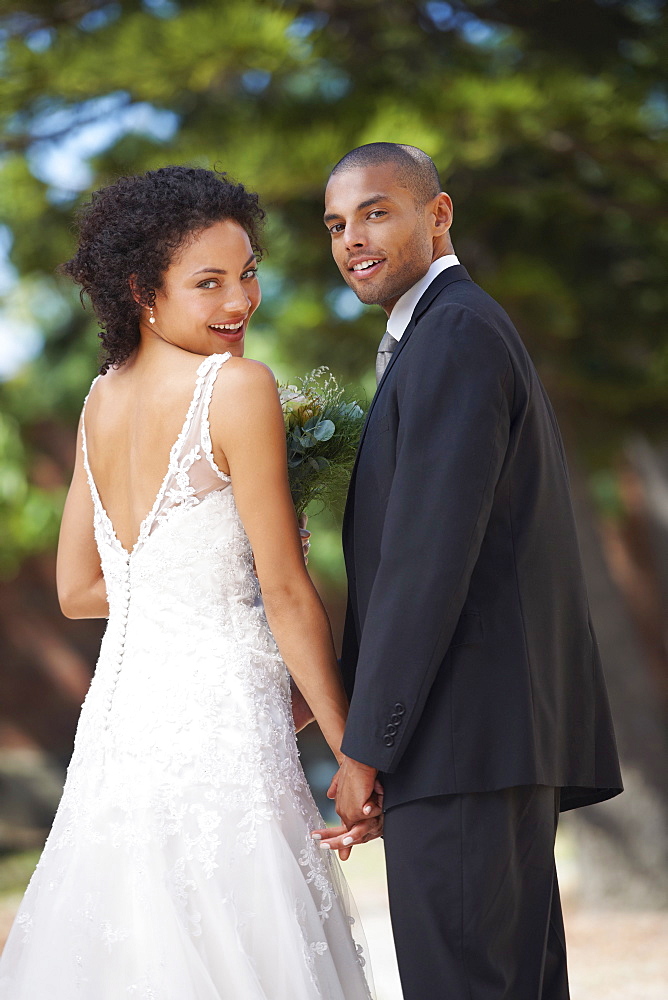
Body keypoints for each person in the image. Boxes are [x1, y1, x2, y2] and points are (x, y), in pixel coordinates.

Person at [0, 166, 380, 1000]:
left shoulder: (99, 401)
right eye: (208, 282)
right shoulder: (237, 388)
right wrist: (354, 746)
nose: (239, 301)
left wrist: (196, 588)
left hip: (121, 731)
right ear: (143, 290)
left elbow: (79, 589)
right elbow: (285, 592)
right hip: (223, 728)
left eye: (247, 273)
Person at [313, 143, 624, 1000]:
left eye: (376, 212)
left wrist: (369, 748)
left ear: (439, 213)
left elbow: (426, 561)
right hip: (488, 743)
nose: (351, 240)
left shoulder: (452, 334)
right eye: (337, 224)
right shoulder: (453, 329)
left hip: (462, 743)